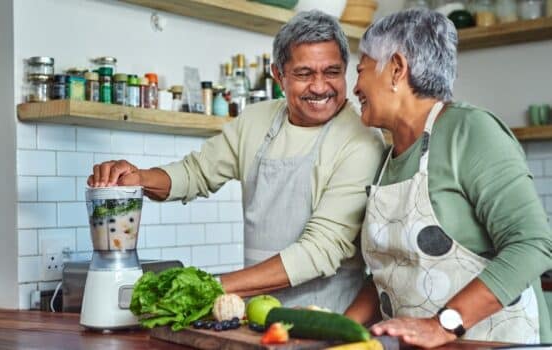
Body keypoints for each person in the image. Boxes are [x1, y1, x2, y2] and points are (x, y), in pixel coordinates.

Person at [88, 10, 385, 313]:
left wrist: (210, 287)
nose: (320, 87)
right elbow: (196, 173)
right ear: (279, 75)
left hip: (328, 322)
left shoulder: (362, 141)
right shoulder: (256, 121)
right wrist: (139, 177)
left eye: (332, 72)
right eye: (304, 74)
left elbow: (320, 249)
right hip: (254, 318)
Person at [344, 8, 552, 347]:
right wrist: (331, 331)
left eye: (362, 70)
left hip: (496, 343)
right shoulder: (386, 160)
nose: (355, 87)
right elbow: (392, 276)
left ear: (397, 68)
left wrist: (443, 325)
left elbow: (533, 244)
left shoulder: (470, 131)